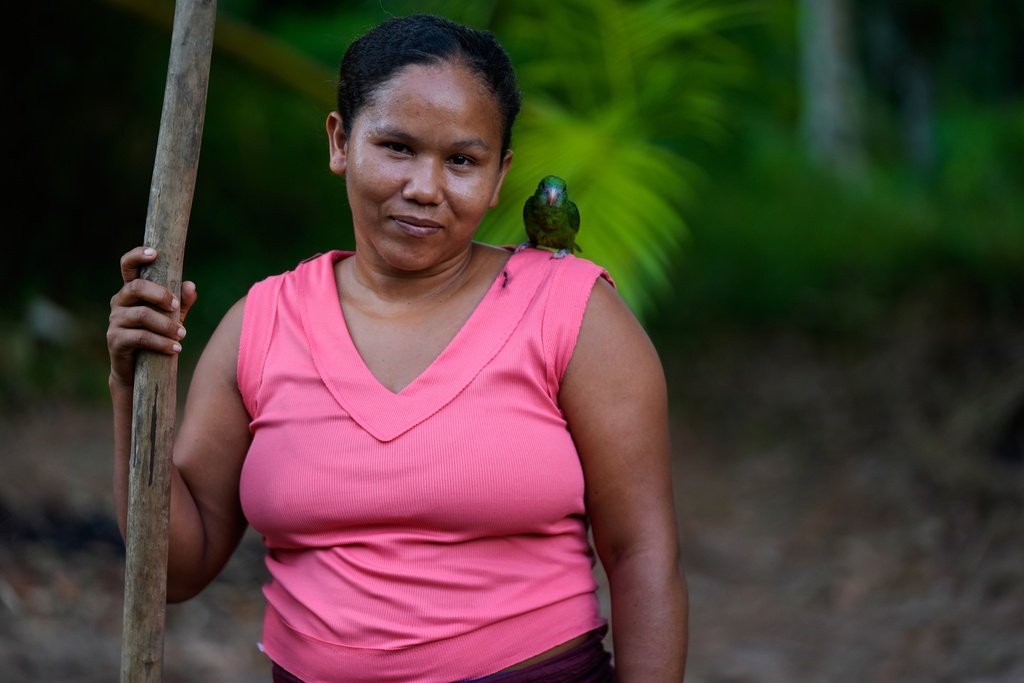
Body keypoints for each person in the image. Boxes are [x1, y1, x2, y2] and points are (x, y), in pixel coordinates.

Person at [107, 13, 687, 683]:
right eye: (397, 147)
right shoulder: (263, 323)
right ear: (340, 141)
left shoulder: (573, 314)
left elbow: (642, 553)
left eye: (462, 160)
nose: (424, 188)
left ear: (501, 176)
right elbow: (176, 567)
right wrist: (132, 383)